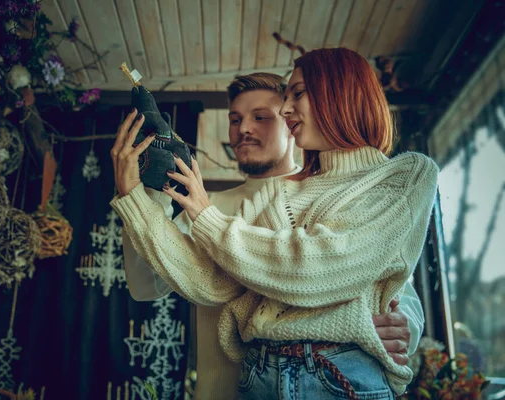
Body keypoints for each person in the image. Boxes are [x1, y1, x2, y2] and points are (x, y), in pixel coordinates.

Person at [111, 62, 434, 398]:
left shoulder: (351, 190)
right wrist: (141, 192)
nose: (243, 129)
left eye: (261, 116)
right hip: (229, 389)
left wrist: (400, 325)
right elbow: (147, 284)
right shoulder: (205, 202)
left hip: (334, 375)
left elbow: (394, 287)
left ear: (289, 122)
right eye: (235, 119)